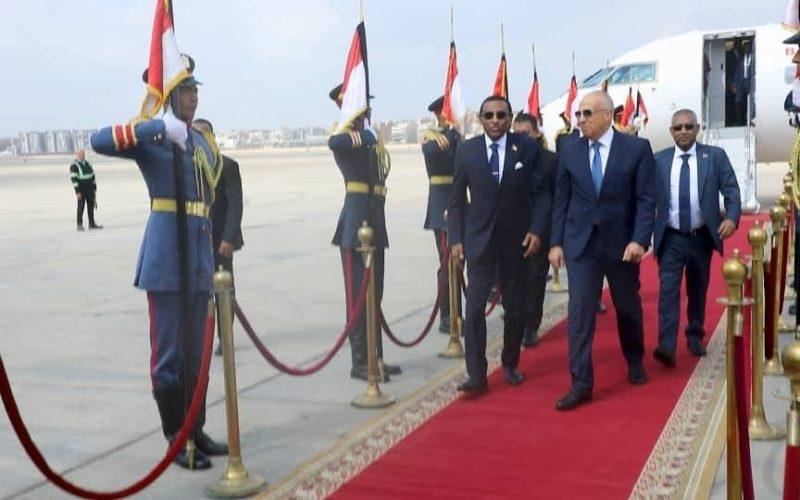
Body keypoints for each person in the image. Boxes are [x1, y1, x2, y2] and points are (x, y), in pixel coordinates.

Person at [90, 56, 227, 470]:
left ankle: (196, 430)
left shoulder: (199, 141)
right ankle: (175, 439)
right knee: (169, 354)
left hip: (198, 260)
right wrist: (154, 127)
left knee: (197, 352)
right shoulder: (155, 137)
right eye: (185, 91)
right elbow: (99, 140)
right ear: (168, 96)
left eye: (195, 90)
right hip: (167, 259)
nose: (193, 97)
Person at [549, 91, 656, 411]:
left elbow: (646, 199)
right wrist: (556, 243)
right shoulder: (569, 149)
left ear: (608, 115)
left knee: (627, 307)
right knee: (580, 314)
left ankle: (634, 359)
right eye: (578, 114)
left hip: (622, 245)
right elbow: (561, 199)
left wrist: (640, 240)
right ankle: (581, 383)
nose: (580, 120)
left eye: (587, 114)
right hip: (581, 245)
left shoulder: (636, 149)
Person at [448, 95, 549, 395]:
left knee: (515, 310)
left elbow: (542, 194)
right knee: (474, 310)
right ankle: (477, 376)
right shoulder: (466, 151)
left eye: (501, 115)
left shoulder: (526, 147)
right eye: (489, 115)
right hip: (479, 242)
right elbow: (456, 201)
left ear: (509, 118)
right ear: (480, 119)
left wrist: (537, 230)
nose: (495, 121)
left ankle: (510, 363)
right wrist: (456, 238)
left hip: (516, 242)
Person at [652, 109, 741, 366]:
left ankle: (694, 335)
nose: (683, 131)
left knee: (697, 289)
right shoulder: (659, 160)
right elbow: (645, 198)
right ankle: (666, 346)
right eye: (678, 127)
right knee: (668, 291)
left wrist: (731, 218)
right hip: (670, 238)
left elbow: (732, 191)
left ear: (697, 129)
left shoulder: (714, 157)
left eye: (688, 127)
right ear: (671, 131)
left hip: (700, 237)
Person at [328, 84, 401, 382]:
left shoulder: (368, 136)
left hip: (375, 220)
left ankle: (376, 357)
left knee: (375, 296)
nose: (367, 109)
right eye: (361, 103)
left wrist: (369, 134)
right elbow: (336, 143)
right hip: (356, 226)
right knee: (358, 298)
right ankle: (360, 362)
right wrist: (367, 134)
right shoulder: (346, 135)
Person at [192, 119, 244, 357]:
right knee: (199, 293)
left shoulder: (228, 166)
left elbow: (235, 205)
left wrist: (229, 238)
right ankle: (201, 338)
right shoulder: (191, 167)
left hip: (221, 240)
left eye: (203, 135)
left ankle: (225, 337)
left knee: (224, 291)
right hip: (197, 240)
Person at [512, 112, 557, 347]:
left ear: (537, 133)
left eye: (525, 133)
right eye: (516, 134)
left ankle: (531, 325)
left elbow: (557, 199)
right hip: (512, 232)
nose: (520, 138)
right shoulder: (508, 159)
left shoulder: (551, 161)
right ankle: (516, 318)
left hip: (541, 232)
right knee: (513, 281)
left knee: (535, 280)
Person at [421, 96, 462, 333]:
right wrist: (452, 136)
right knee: (447, 263)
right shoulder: (432, 136)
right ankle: (447, 316)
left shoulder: (456, 137)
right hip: (442, 207)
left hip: (459, 203)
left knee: (459, 263)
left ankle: (457, 313)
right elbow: (431, 151)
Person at [70, 149, 102, 230]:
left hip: (90, 188)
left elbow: (93, 176)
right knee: (81, 207)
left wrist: (94, 188)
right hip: (81, 189)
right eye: (80, 154)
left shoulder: (88, 164)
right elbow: (74, 179)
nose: (82, 156)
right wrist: (77, 191)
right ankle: (79, 225)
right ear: (77, 155)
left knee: (91, 206)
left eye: (83, 154)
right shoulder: (74, 166)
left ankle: (92, 223)